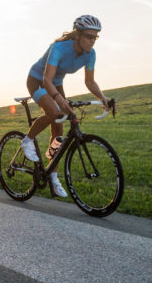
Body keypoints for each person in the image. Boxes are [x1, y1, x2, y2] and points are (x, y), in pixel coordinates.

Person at [20, 15, 113, 197]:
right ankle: (27, 140)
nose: (92, 41)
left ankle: (53, 176)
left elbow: (90, 82)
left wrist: (103, 97)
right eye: (88, 36)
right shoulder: (59, 48)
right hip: (38, 81)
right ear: (77, 35)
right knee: (55, 112)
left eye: (95, 37)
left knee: (59, 131)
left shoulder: (90, 55)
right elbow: (47, 80)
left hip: (55, 83)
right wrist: (61, 101)